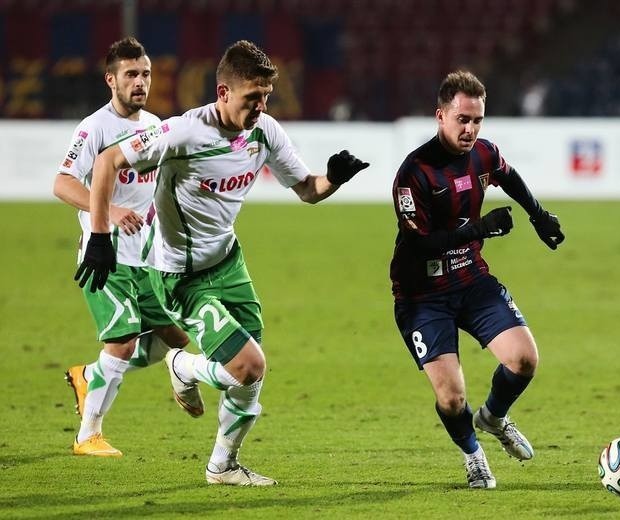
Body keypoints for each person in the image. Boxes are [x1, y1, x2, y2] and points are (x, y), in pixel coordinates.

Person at [74, 40, 369, 486]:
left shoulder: (264, 131)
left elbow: (308, 189)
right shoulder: (182, 133)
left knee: (249, 375)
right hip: (180, 275)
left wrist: (335, 179)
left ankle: (222, 466)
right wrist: (99, 234)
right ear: (223, 92)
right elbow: (108, 161)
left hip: (229, 263)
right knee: (248, 365)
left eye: (265, 97)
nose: (261, 106)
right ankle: (181, 366)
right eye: (252, 98)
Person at [389, 70, 565, 489]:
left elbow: (508, 175)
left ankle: (494, 418)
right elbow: (421, 244)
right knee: (451, 398)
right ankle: (474, 455)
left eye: (477, 120)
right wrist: (477, 230)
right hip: (422, 296)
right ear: (441, 116)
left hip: (470, 278)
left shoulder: (483, 154)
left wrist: (538, 215)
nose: (470, 129)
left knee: (524, 360)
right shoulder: (414, 173)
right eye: (462, 119)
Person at [54, 37, 202, 458]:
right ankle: (88, 435)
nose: (140, 82)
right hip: (106, 255)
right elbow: (62, 183)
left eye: (146, 74)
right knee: (121, 342)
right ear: (111, 80)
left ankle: (91, 375)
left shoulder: (155, 127)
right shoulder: (94, 128)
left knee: (175, 340)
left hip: (148, 257)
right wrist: (111, 212)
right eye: (131, 74)